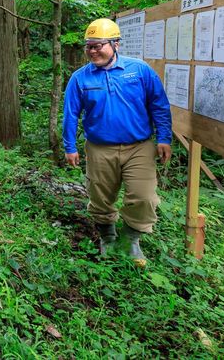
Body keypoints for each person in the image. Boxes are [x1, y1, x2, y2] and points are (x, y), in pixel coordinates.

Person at [62, 18, 172, 266]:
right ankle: (107, 236)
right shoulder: (80, 78)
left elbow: (159, 105)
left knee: (144, 196)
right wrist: (70, 146)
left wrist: (164, 137)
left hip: (139, 147)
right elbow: (70, 114)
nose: (92, 51)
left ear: (115, 44)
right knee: (100, 196)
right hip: (99, 148)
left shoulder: (139, 70)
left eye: (98, 45)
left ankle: (131, 239)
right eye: (89, 46)